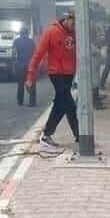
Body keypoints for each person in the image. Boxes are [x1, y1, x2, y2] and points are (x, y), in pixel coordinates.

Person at [26, 11, 79, 148]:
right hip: (56, 73)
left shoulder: (76, 33)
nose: (74, 27)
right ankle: (79, 136)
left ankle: (47, 135)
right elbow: (37, 55)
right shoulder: (51, 32)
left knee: (61, 104)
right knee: (70, 105)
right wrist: (30, 77)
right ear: (67, 18)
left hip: (69, 74)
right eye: (73, 24)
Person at [13, 26, 36, 106]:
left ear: (20, 33)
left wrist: (14, 64)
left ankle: (20, 101)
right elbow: (35, 53)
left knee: (20, 83)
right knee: (31, 83)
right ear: (28, 33)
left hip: (20, 65)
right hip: (31, 65)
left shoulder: (16, 41)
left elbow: (14, 54)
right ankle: (32, 101)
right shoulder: (32, 42)